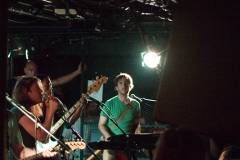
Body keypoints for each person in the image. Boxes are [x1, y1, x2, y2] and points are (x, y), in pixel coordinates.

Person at [98, 73, 141, 160]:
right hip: (111, 145)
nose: (123, 85)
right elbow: (101, 125)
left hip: (127, 145)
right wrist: (109, 139)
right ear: (116, 87)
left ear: (131, 86)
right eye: (120, 83)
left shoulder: (136, 104)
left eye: (126, 83)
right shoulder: (109, 103)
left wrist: (137, 139)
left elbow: (137, 124)